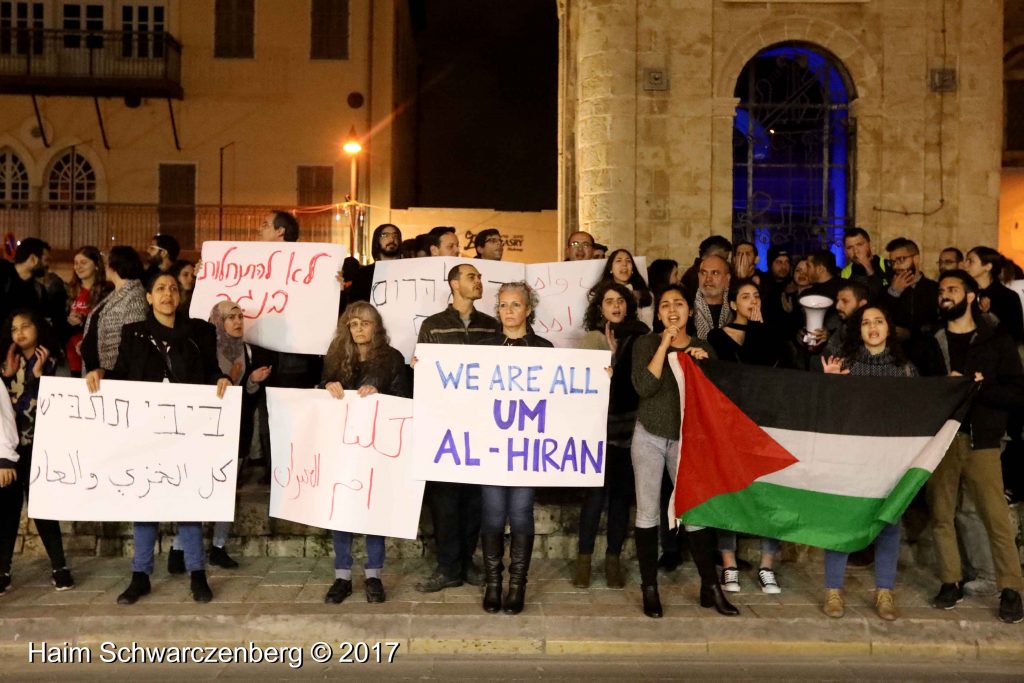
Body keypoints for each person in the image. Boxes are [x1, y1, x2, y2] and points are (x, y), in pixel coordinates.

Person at [87, 273, 231, 605]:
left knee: (189, 503)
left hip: (187, 432)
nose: (168, 293)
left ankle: (198, 575)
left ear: (180, 297)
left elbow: (210, 370)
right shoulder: (134, 333)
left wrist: (220, 379)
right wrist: (101, 373)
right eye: (161, 289)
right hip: (145, 433)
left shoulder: (199, 332)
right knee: (144, 501)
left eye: (173, 288)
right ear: (149, 297)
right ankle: (141, 576)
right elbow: (122, 373)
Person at [921, 270, 1024, 624]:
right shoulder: (933, 341)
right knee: (941, 515)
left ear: (969, 296)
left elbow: (1017, 392)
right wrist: (942, 387)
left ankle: (1011, 589)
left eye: (952, 289)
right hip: (944, 441)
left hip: (983, 440)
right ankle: (950, 581)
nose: (944, 295)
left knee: (995, 516)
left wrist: (980, 388)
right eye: (940, 291)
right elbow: (921, 390)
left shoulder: (996, 340)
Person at [631, 284, 738, 618]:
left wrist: (705, 367)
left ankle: (710, 586)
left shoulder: (703, 347)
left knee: (694, 513)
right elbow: (645, 387)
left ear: (690, 311)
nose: (672, 310)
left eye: (678, 304)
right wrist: (664, 343)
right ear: (658, 313)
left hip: (687, 439)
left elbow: (718, 399)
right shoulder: (645, 343)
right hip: (648, 435)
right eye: (665, 305)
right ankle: (650, 588)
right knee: (648, 512)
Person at [820, 305, 918, 621]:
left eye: (878, 321)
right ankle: (833, 591)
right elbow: (829, 415)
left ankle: (884, 591)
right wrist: (831, 384)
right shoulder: (845, 365)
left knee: (889, 524)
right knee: (840, 523)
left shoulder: (906, 371)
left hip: (889, 462)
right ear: (858, 330)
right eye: (866, 323)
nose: (872, 327)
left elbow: (916, 417)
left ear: (889, 328)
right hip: (850, 459)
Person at [166, 302, 274, 575]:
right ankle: (179, 547)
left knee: (227, 491)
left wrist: (252, 381)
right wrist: (227, 379)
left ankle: (218, 546)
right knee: (197, 487)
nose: (238, 321)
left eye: (240, 316)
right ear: (217, 320)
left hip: (236, 430)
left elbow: (248, 398)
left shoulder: (247, 351)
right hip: (204, 431)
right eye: (230, 317)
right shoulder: (204, 349)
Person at [414, 264, 500, 592]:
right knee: (445, 500)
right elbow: (423, 374)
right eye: (471, 277)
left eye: (479, 277)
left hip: (482, 425)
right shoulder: (433, 326)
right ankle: (447, 567)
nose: (479, 282)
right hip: (444, 426)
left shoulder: (491, 327)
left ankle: (467, 562)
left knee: (475, 498)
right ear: (454, 284)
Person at [320, 302, 409, 605]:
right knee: (341, 510)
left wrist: (379, 397)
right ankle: (342, 577)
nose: (358, 329)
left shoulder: (392, 358)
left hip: (377, 447)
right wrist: (327, 386)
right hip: (342, 447)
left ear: (376, 327)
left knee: (374, 511)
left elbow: (403, 400)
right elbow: (319, 399)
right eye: (353, 324)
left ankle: (373, 575)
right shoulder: (334, 357)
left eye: (365, 323)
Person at [476, 282, 552, 615]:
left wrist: (598, 378)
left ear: (528, 309)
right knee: (492, 513)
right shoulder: (484, 346)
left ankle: (517, 585)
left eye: (515, 305)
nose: (509, 311)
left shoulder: (545, 348)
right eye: (503, 305)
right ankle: (494, 583)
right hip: (492, 446)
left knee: (520, 513)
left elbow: (560, 396)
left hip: (526, 447)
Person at [706, 279, 782, 593]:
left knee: (770, 492)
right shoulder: (716, 336)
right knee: (729, 491)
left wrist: (760, 329)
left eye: (756, 295)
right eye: (745, 296)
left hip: (765, 422)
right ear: (733, 304)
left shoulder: (771, 335)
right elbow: (732, 372)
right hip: (729, 424)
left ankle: (767, 565)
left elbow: (769, 370)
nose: (752, 301)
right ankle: (729, 564)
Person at [574, 281, 648, 590]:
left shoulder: (643, 335)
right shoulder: (592, 339)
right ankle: (584, 560)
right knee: (594, 498)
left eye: (620, 300)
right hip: (597, 430)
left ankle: (613, 559)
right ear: (600, 308)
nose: (615, 306)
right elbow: (583, 387)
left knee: (620, 498)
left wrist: (616, 360)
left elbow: (638, 385)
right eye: (609, 301)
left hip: (630, 430)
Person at [0, 309, 73, 593]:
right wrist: (6, 375)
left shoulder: (53, 360)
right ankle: (3, 570)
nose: (20, 333)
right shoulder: (8, 362)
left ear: (38, 329)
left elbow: (64, 401)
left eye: (26, 326)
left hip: (40, 446)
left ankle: (59, 566)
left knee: (42, 508)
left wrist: (41, 377)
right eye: (14, 328)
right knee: (6, 511)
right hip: (10, 450)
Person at [80, 246, 148, 375]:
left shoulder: (135, 297)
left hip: (113, 374)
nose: (104, 268)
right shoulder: (114, 293)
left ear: (114, 266)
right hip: (98, 373)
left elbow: (132, 344)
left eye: (106, 263)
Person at [65, 246, 112, 375]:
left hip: (94, 356)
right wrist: (68, 321)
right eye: (76, 263)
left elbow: (107, 324)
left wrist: (83, 320)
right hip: (71, 355)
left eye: (84, 263)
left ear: (96, 265)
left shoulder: (106, 292)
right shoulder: (70, 290)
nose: (78, 267)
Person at [963, 246, 1024, 343]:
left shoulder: (1007, 296)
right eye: (966, 260)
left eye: (971, 261)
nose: (965, 265)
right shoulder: (965, 293)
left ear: (988, 266)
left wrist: (987, 315)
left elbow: (1013, 334)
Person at [0, 237, 50, 327]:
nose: (47, 265)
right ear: (33, 259)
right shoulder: (2, 273)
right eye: (46, 260)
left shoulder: (38, 290)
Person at [348, 224, 403, 304]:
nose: (392, 238)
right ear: (377, 240)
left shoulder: (410, 271)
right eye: (385, 235)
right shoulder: (363, 275)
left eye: (395, 235)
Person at [600, 249, 654, 327]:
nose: (624, 264)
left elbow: (648, 326)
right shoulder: (601, 293)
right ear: (610, 268)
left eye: (628, 261)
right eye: (619, 261)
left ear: (632, 269)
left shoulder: (644, 293)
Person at [690, 254, 732, 340]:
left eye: (715, 273)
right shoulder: (688, 310)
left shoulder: (736, 309)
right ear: (699, 276)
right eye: (703, 273)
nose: (708, 279)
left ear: (727, 279)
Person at [841, 228, 887, 297]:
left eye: (859, 245)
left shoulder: (886, 265)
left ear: (869, 244)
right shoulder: (845, 273)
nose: (856, 251)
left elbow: (888, 299)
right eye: (850, 247)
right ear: (845, 251)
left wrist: (869, 268)